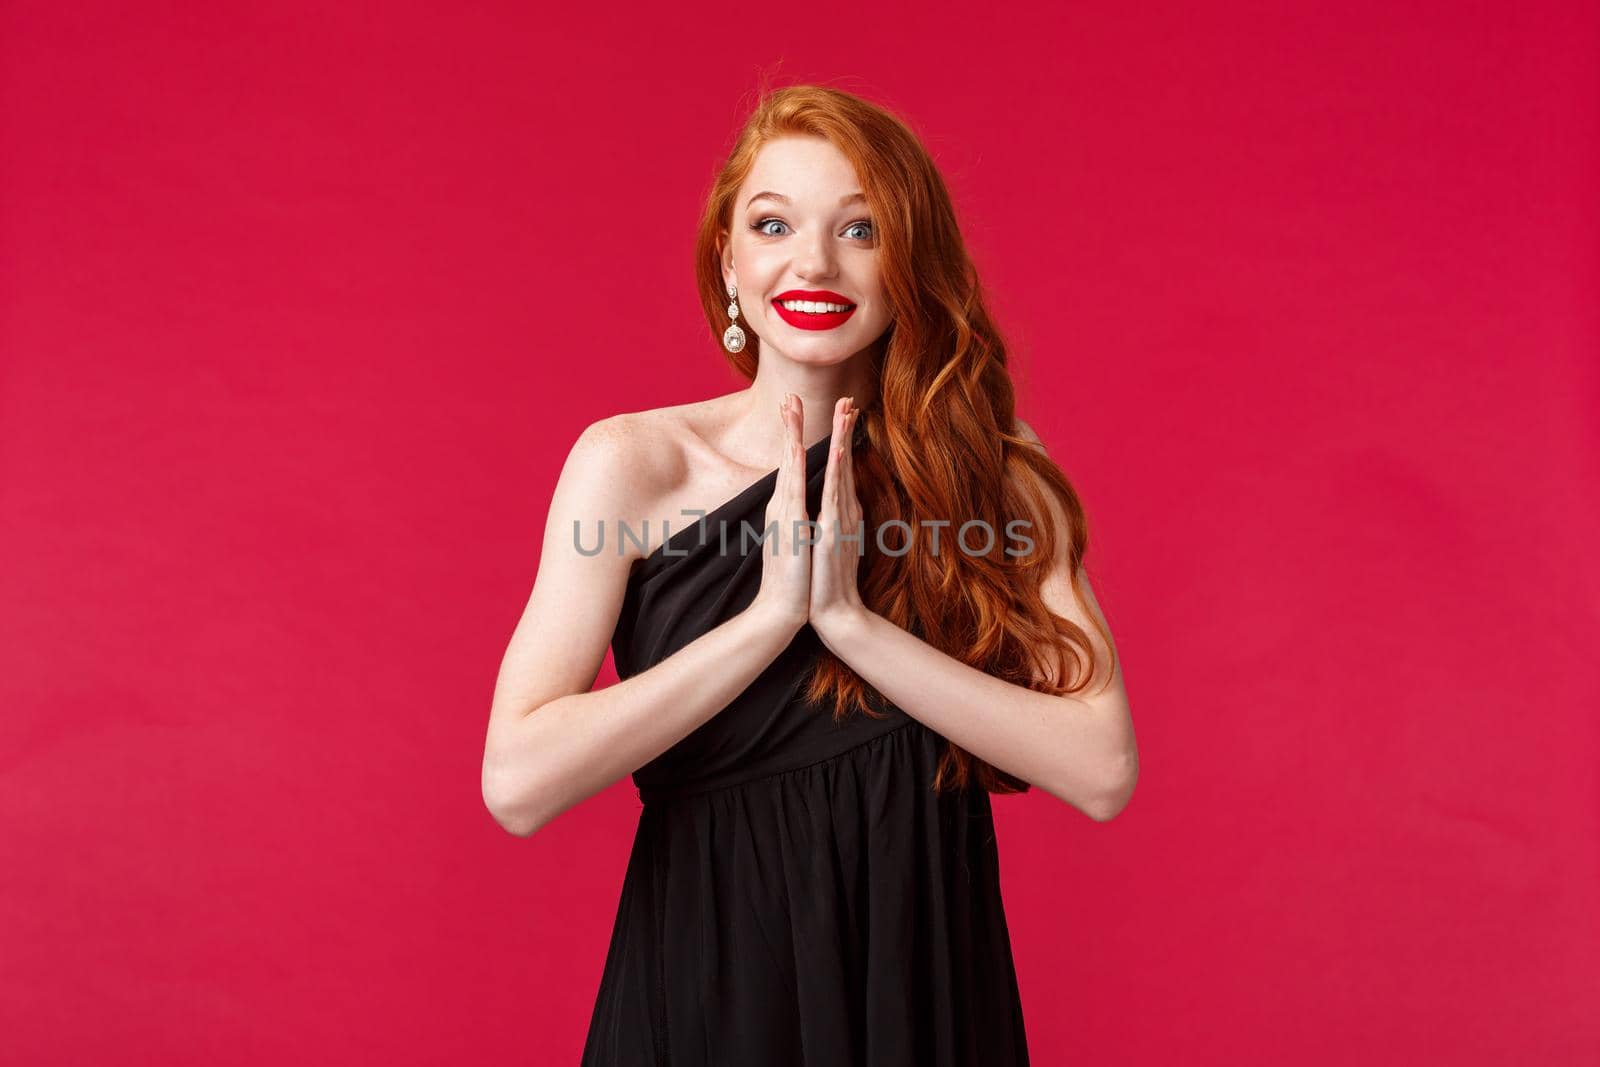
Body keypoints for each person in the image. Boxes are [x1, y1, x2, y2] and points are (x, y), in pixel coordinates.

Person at [482, 83, 1137, 1066]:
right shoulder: (633, 463)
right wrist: (764, 619)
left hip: (919, 981)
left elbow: (1101, 768)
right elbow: (517, 779)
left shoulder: (988, 469)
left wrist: (851, 623)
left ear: (906, 259)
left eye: (860, 226)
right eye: (774, 222)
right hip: (709, 982)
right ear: (729, 264)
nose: (814, 261)